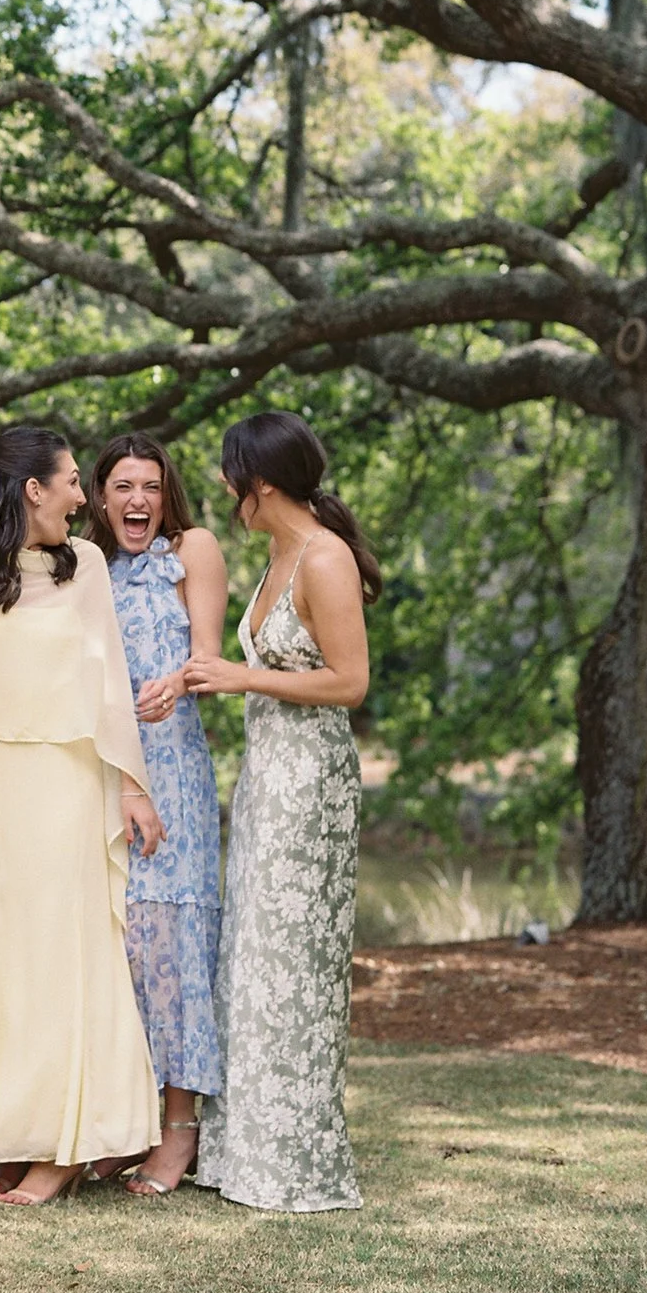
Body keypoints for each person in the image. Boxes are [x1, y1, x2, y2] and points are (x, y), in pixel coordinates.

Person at [0, 425, 165, 1207]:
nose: (83, 494)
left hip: (64, 781)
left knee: (57, 957)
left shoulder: (90, 566)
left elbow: (110, 681)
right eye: (71, 480)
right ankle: (7, 1134)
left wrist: (130, 786)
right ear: (32, 491)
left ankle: (67, 1148)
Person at [183, 410, 377, 1213]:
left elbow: (348, 683)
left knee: (294, 962)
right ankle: (245, 1153)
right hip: (267, 776)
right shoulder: (275, 555)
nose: (226, 488)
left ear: (259, 482)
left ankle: (295, 1160)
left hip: (315, 787)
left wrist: (242, 677)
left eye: (232, 474)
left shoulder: (323, 559)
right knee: (254, 958)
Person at [87, 432, 228, 1197]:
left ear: (164, 492)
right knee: (120, 948)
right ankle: (129, 1121)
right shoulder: (84, 571)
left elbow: (207, 658)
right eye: (121, 487)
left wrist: (178, 680)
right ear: (100, 498)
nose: (136, 499)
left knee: (173, 945)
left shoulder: (193, 551)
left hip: (172, 770)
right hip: (104, 773)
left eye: (149, 486)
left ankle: (180, 1132)